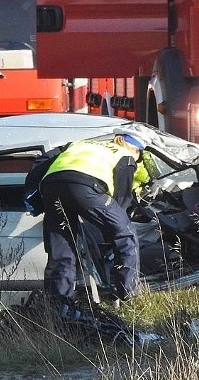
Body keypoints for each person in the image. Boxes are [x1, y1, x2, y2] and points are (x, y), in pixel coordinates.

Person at [30, 127, 152, 310]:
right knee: (126, 234)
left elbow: (43, 160)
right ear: (136, 150)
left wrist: (32, 199)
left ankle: (59, 304)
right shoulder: (126, 156)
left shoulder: (81, 143)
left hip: (51, 186)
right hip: (86, 187)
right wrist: (113, 227)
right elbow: (121, 199)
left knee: (61, 248)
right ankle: (130, 297)